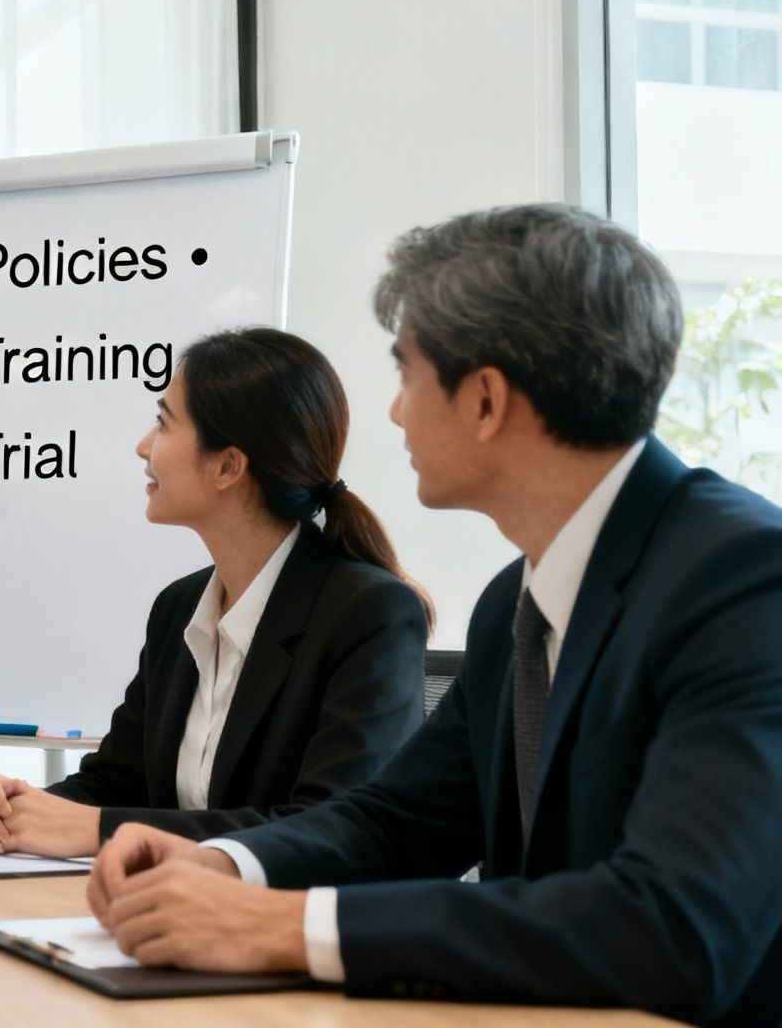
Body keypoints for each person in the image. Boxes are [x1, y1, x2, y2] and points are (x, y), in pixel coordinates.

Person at [87, 205, 782, 1026]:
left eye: (406, 373)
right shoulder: (513, 606)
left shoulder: (745, 581)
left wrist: (288, 925)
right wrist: (224, 863)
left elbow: (673, 929)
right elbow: (401, 820)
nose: (393, 413)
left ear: (485, 400)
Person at [0, 328, 430, 859]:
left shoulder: (368, 614)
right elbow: (113, 785)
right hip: (163, 919)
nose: (142, 446)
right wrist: (10, 812)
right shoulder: (179, 606)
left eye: (163, 422)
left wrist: (106, 830)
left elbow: (329, 828)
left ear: (228, 466)